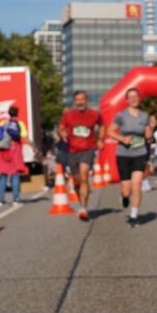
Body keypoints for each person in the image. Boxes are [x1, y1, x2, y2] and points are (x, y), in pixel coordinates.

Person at [107, 87, 153, 226]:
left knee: (137, 185)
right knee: (126, 189)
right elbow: (110, 131)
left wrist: (150, 129)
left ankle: (134, 216)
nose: (133, 99)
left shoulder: (144, 116)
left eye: (136, 96)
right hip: (123, 154)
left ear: (139, 98)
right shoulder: (121, 115)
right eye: (130, 97)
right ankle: (124, 197)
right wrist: (122, 138)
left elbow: (147, 135)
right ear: (127, 100)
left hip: (140, 153)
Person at [58, 90, 104, 221]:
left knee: (84, 176)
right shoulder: (68, 115)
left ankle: (83, 208)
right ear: (74, 101)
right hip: (72, 151)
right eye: (77, 100)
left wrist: (100, 139)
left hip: (88, 149)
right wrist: (62, 133)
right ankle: (81, 202)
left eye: (82, 99)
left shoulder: (94, 114)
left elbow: (102, 125)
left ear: (86, 100)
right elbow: (61, 127)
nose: (80, 102)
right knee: (77, 181)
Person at [0, 105, 29, 207]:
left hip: (3, 150)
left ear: (9, 113)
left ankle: (0, 199)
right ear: (17, 113)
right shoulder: (20, 124)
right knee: (15, 175)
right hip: (15, 150)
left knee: (3, 175)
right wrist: (33, 147)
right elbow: (25, 137)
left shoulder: (2, 123)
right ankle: (16, 199)